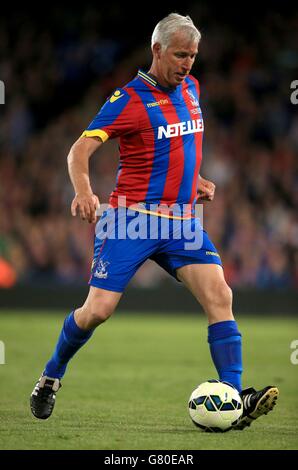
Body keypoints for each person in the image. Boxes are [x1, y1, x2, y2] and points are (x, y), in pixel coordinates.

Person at [30, 13, 278, 429]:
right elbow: (78, 152)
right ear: (157, 50)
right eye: (181, 54)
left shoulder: (192, 88)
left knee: (220, 294)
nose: (188, 64)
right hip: (130, 220)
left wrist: (193, 179)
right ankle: (51, 376)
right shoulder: (127, 100)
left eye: (194, 56)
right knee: (98, 311)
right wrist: (84, 191)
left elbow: (179, 143)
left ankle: (232, 399)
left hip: (180, 220)